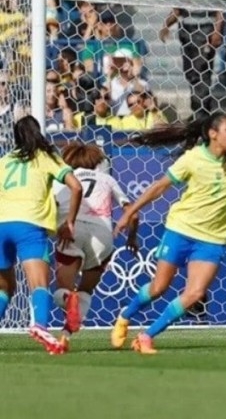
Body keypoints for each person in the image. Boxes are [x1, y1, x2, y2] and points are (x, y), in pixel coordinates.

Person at [110, 113, 226, 354]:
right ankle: (125, 315)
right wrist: (130, 212)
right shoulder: (192, 159)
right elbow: (159, 187)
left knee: (195, 294)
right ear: (213, 134)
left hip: (213, 238)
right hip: (181, 229)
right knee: (159, 287)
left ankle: (146, 336)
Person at [0, 116, 83, 354]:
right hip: (29, 224)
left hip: (1, 224)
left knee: (4, 288)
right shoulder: (46, 157)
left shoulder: (5, 160)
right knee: (39, 284)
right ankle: (41, 326)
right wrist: (69, 222)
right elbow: (76, 186)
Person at [51, 142, 135, 346]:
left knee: (62, 290)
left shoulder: (62, 179)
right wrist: (133, 238)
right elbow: (133, 212)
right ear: (96, 162)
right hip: (103, 235)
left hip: (72, 231)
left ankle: (67, 301)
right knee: (86, 290)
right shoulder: (107, 179)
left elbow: (49, 206)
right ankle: (66, 336)